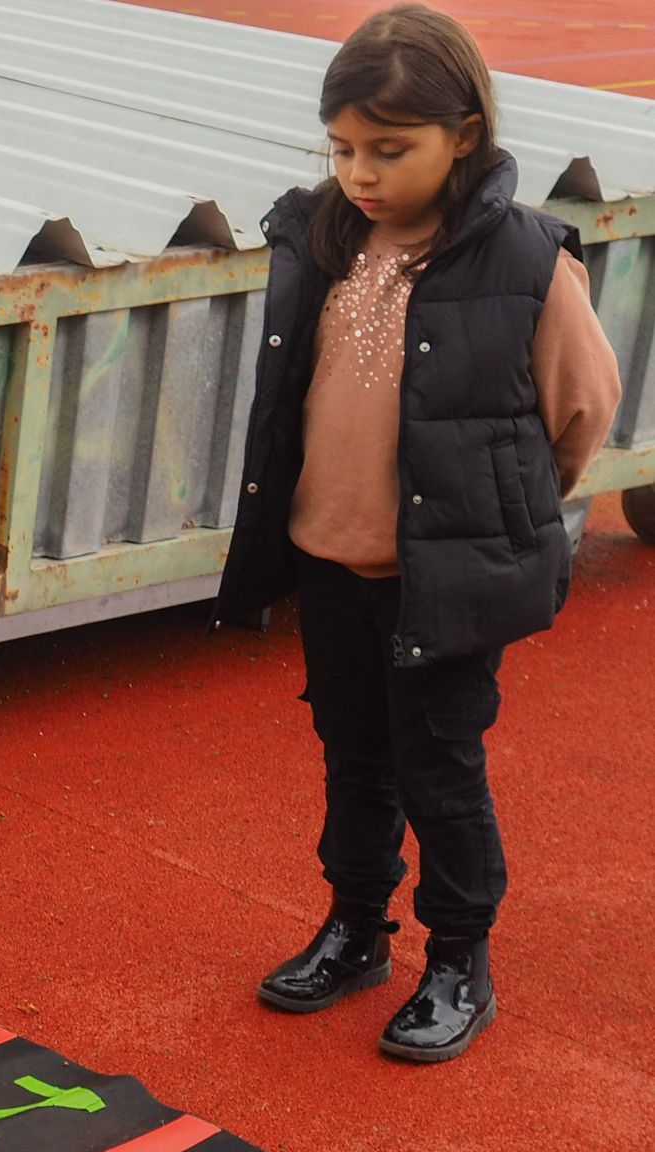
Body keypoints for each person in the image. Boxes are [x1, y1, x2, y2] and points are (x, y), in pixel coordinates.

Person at [212, 4, 620, 1063]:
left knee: (439, 766)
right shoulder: (323, 237)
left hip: (444, 579)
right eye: (343, 148)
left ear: (463, 135)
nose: (360, 172)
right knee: (353, 757)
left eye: (389, 151)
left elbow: (580, 410)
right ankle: (355, 929)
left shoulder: (527, 259)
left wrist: (496, 513)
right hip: (329, 559)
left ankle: (458, 960)